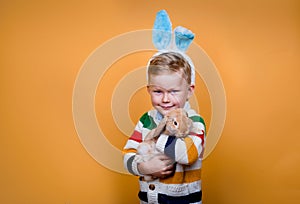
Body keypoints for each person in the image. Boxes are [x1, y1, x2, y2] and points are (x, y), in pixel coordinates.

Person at [123, 10, 206, 204]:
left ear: (189, 90)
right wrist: (144, 168)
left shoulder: (194, 122)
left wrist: (159, 134)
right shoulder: (146, 120)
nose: (166, 99)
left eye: (174, 91)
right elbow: (127, 154)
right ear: (149, 89)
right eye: (158, 91)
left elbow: (187, 154)